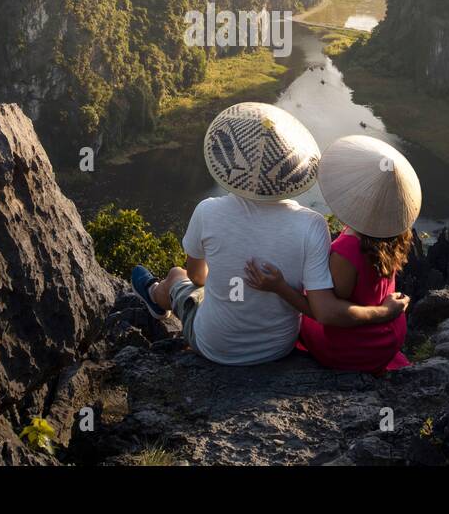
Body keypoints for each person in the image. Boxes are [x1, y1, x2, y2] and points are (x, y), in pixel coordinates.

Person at [130, 103, 408, 366]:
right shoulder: (312, 225)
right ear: (290, 170)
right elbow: (322, 305)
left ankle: (156, 295)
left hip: (214, 346)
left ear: (235, 166)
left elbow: (197, 276)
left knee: (178, 275)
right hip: (279, 348)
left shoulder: (208, 211)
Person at [244, 135, 421, 373]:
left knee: (303, 307)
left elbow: (327, 314)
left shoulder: (346, 250)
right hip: (390, 335)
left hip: (355, 347)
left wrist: (280, 287)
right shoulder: (394, 233)